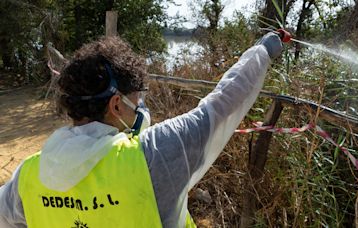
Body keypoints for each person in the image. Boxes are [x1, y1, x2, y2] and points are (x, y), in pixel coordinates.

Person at [0, 32, 282, 227]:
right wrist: (263, 51)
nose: (140, 109)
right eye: (136, 101)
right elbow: (223, 103)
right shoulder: (156, 154)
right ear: (115, 105)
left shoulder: (28, 175)